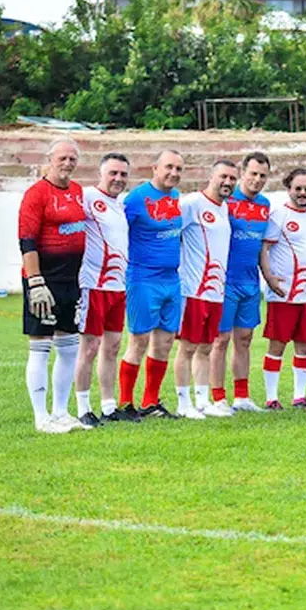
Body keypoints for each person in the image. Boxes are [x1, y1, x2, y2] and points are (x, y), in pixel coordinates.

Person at [18, 139, 89, 433]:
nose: (68, 163)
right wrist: (36, 282)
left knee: (70, 349)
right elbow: (27, 240)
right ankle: (41, 417)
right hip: (44, 283)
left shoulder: (78, 191)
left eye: (73, 159)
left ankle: (61, 412)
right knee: (40, 348)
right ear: (50, 159)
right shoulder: (36, 194)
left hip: (70, 282)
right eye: (62, 158)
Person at [118, 149, 185, 420]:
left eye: (179, 169)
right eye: (169, 167)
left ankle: (150, 401)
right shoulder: (135, 200)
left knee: (165, 342)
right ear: (154, 168)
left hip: (172, 279)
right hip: (143, 278)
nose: (173, 173)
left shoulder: (177, 197)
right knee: (139, 341)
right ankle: (125, 404)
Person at [173, 160, 238, 420]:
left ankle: (202, 400)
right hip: (193, 288)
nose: (228, 182)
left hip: (215, 290)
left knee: (206, 347)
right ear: (211, 176)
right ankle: (182, 401)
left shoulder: (224, 209)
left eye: (233, 178)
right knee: (187, 347)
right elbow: (171, 234)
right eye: (223, 176)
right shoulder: (192, 204)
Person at [210, 152, 271, 414]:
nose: (257, 180)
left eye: (263, 176)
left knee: (244, 339)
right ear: (243, 173)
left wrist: (268, 277)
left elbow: (261, 248)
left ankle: (242, 396)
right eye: (253, 174)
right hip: (225, 281)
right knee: (220, 340)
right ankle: (218, 397)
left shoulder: (265, 205)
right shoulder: (226, 202)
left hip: (249, 282)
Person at [74, 152, 131, 427]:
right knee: (89, 347)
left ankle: (109, 406)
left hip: (117, 287)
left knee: (113, 347)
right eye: (113, 173)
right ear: (101, 173)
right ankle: (83, 407)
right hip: (93, 285)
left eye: (123, 174)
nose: (118, 179)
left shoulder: (120, 205)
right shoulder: (86, 197)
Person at [260, 168, 306, 410]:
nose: (303, 193)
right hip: (284, 294)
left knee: (304, 345)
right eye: (298, 188)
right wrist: (269, 278)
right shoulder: (278, 215)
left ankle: (299, 396)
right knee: (277, 344)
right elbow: (264, 249)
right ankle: (271, 398)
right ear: (289, 188)